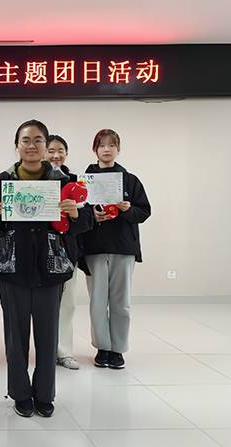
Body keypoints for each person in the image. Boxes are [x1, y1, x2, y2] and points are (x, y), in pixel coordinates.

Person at [0, 120, 91, 418]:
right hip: (13, 268)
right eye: (26, 140)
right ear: (17, 145)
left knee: (47, 335)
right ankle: (20, 393)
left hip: (50, 268)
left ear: (46, 145)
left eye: (38, 140)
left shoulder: (64, 181)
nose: (31, 146)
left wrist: (75, 213)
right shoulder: (4, 180)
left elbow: (85, 222)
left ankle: (44, 393)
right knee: (15, 338)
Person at [81, 129, 151, 370]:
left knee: (121, 302)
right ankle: (102, 347)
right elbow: (77, 212)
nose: (107, 149)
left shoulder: (130, 180)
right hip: (94, 247)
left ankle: (118, 349)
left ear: (118, 149)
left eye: (112, 145)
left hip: (123, 247)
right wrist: (92, 214)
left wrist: (128, 209)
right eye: (102, 145)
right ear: (95, 149)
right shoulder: (84, 181)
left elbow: (144, 211)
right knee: (98, 302)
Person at [46, 134, 81, 371]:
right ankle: (45, 350)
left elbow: (86, 221)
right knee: (42, 306)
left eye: (61, 150)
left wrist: (75, 213)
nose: (56, 155)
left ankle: (64, 351)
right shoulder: (32, 181)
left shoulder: (77, 182)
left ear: (66, 154)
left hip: (67, 249)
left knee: (67, 304)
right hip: (39, 251)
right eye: (51, 150)